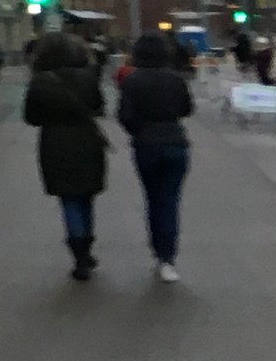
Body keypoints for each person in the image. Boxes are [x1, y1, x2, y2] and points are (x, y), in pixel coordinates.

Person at [22, 29, 109, 280]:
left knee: (68, 199)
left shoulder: (40, 81)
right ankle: (87, 248)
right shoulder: (87, 77)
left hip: (54, 142)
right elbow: (98, 105)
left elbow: (31, 117)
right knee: (87, 196)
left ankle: (79, 254)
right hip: (87, 139)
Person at [117, 31, 193, 283]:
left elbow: (125, 115)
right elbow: (187, 109)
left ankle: (158, 250)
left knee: (152, 198)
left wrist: (139, 131)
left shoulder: (132, 81)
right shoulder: (176, 79)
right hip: (175, 141)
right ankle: (167, 258)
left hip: (146, 144)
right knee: (169, 200)